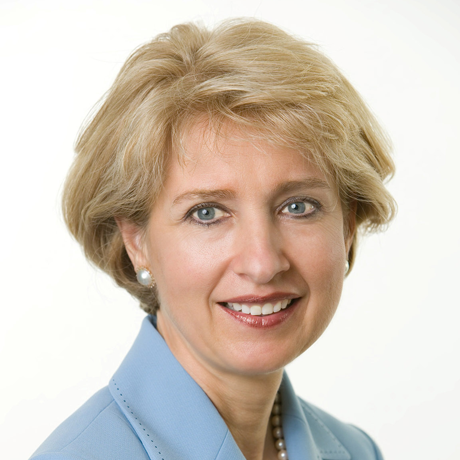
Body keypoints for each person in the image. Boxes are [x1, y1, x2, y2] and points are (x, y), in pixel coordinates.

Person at [30, 18, 395, 460]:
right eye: (206, 213)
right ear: (136, 242)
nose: (262, 263)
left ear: (348, 226)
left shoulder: (356, 451)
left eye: (298, 206)